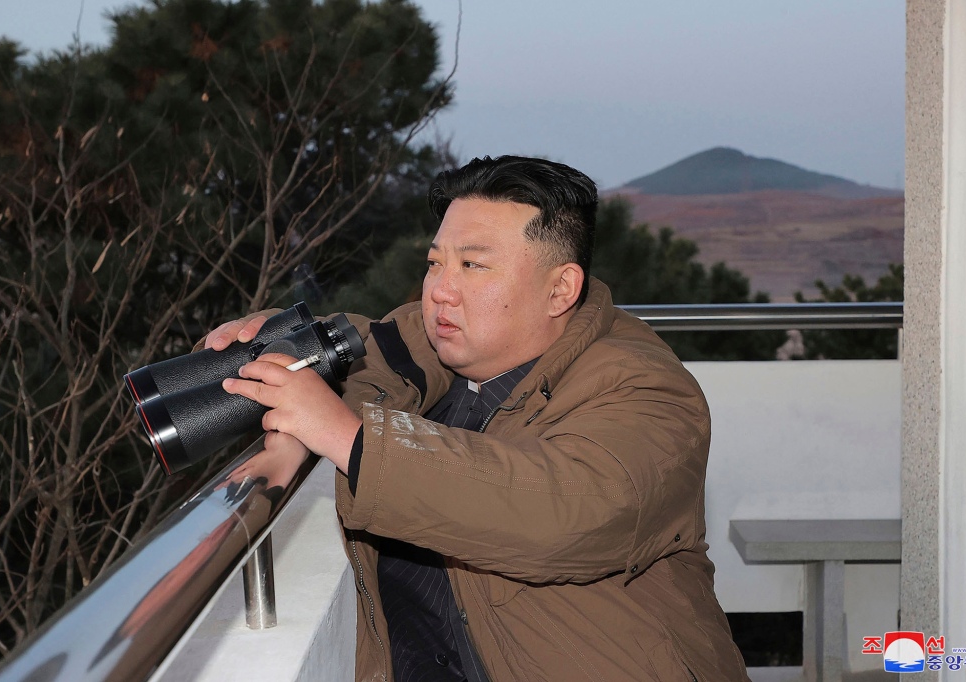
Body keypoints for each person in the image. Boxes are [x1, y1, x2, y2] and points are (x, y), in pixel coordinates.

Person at [213, 155, 748, 681]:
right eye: (434, 263)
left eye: (473, 265)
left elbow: (566, 513)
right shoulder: (440, 348)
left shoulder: (648, 390)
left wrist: (343, 434)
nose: (440, 289)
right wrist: (269, 354)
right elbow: (372, 348)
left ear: (561, 289)